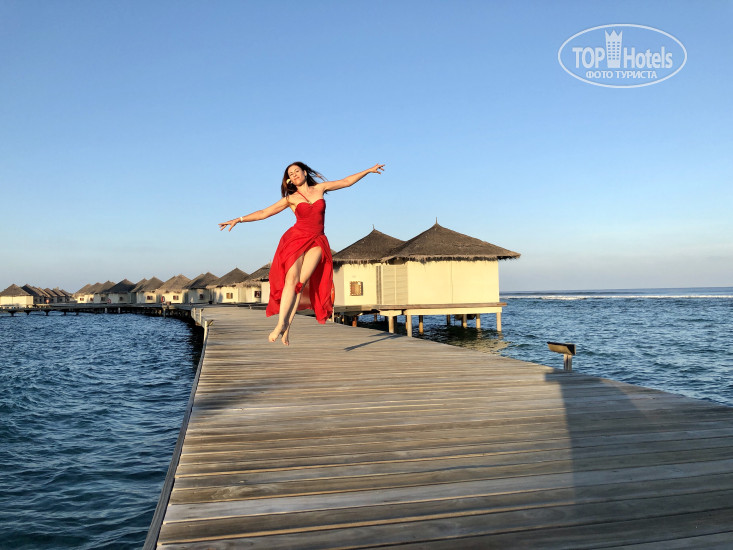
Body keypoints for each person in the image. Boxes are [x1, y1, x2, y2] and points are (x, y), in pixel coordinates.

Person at [219, 162, 385, 345]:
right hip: (296, 240)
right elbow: (264, 212)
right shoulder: (291, 199)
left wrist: (368, 171)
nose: (294, 174)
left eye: (297, 171)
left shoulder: (320, 188)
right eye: (291, 174)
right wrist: (239, 219)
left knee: (300, 284)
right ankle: (281, 324)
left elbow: (346, 182)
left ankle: (287, 328)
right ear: (289, 180)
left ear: (305, 172)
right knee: (291, 280)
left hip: (317, 240)